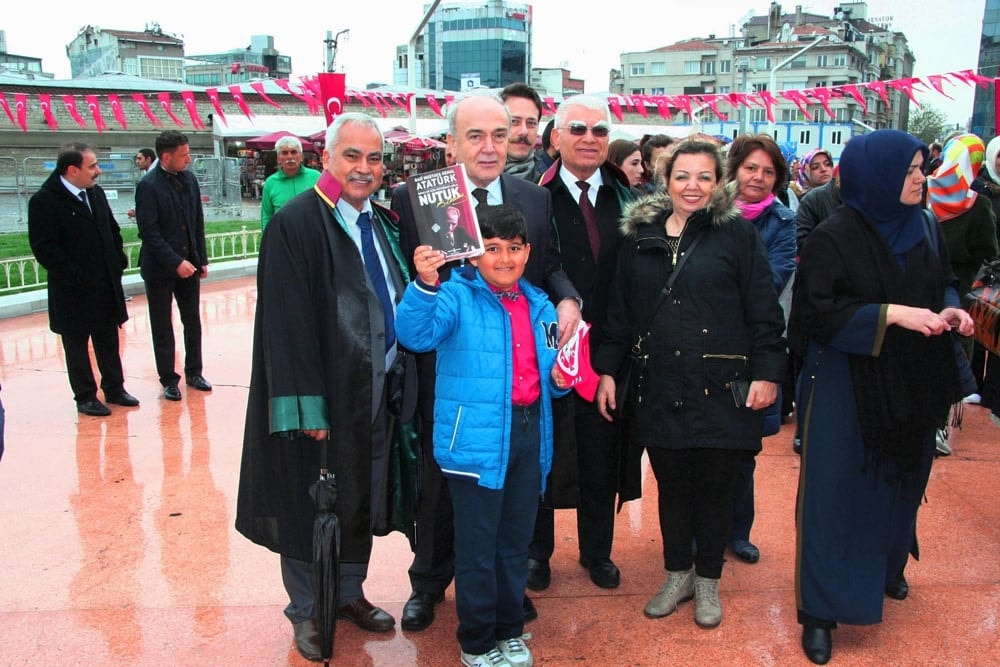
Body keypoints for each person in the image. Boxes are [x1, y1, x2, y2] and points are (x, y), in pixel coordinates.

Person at [391, 92, 580, 632]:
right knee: (440, 483)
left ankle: (506, 589)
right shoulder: (414, 197)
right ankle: (429, 583)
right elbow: (407, 280)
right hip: (446, 368)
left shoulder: (533, 199)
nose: (490, 146)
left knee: (514, 485)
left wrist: (567, 299)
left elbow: (550, 266)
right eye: (475, 136)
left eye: (500, 133)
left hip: (517, 368)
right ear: (452, 143)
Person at [789, 129, 974, 665]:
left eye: (921, 168)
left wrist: (950, 307)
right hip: (846, 381)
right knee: (835, 494)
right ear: (878, 176)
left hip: (914, 377)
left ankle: (886, 568)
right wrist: (891, 314)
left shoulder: (925, 225)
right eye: (910, 170)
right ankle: (820, 612)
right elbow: (814, 314)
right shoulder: (833, 237)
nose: (921, 178)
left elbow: (944, 280)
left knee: (902, 479)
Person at [236, 113, 409, 662]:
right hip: (325, 396)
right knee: (311, 499)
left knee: (359, 493)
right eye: (351, 155)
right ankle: (308, 609)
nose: (364, 168)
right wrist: (306, 405)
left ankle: (348, 591)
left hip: (375, 391)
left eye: (374, 158)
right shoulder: (297, 223)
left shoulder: (381, 222)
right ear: (326, 158)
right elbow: (284, 324)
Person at [592, 139, 785, 629]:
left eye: (703, 177)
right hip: (660, 384)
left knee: (717, 488)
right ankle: (677, 574)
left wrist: (767, 373)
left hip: (721, 386)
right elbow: (619, 312)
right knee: (673, 486)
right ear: (666, 180)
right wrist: (607, 370)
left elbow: (764, 310)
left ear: (719, 182)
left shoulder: (737, 235)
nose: (692, 186)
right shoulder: (639, 236)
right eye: (682, 176)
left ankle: (708, 582)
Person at [397, 204, 568, 667]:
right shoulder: (455, 296)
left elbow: (551, 369)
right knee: (477, 548)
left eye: (514, 248)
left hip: (528, 436)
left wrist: (561, 379)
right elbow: (414, 335)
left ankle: (509, 629)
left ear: (527, 252)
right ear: (473, 255)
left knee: (514, 544)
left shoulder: (540, 304)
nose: (504, 258)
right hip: (474, 443)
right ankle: (476, 640)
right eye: (492, 249)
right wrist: (424, 285)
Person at [532, 94, 637, 593]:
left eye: (599, 130)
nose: (589, 138)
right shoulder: (533, 195)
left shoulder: (628, 198)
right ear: (556, 138)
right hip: (547, 347)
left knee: (601, 452)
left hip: (609, 347)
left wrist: (612, 359)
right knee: (543, 452)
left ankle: (598, 551)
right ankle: (537, 554)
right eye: (577, 129)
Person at [724, 133, 797, 564]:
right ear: (734, 170)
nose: (758, 177)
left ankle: (738, 532)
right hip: (703, 343)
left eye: (768, 171)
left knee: (744, 448)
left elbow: (772, 280)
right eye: (751, 167)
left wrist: (718, 284)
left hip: (753, 346)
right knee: (696, 447)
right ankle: (697, 533)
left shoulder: (783, 222)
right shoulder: (709, 211)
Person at [28, 141, 138, 417]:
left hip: (104, 284)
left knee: (108, 338)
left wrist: (117, 262)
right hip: (72, 289)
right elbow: (45, 248)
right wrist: (76, 275)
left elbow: (112, 231)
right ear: (72, 170)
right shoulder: (44, 201)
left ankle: (114, 388)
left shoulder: (95, 193)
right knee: (76, 344)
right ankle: (86, 396)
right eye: (92, 166)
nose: (97, 171)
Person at [135, 130, 211, 402]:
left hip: (189, 264)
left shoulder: (189, 180)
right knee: (162, 325)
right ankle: (168, 379)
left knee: (192, 321)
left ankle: (195, 372)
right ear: (166, 157)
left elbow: (196, 222)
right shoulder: (149, 186)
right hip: (160, 268)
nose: (189, 159)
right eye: (184, 155)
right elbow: (149, 232)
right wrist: (175, 262)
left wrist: (201, 258)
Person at [971, 136, 1000, 419]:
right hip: (987, 268)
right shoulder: (979, 188)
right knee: (983, 322)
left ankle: (993, 390)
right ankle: (974, 383)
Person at [260, 135, 321, 228]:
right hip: (283, 234)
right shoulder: (270, 183)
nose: (289, 157)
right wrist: (267, 236)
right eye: (284, 153)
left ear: (301, 157)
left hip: (312, 232)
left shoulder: (316, 177)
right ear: (278, 159)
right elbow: (266, 215)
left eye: (293, 152)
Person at [500, 83, 544, 181]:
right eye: (514, 121)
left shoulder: (550, 182)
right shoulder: (472, 178)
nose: (524, 131)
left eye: (531, 123)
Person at [126, 148, 157, 220]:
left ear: (148, 159)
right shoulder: (149, 173)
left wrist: (137, 211)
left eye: (140, 159)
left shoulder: (155, 175)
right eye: (137, 159)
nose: (137, 162)